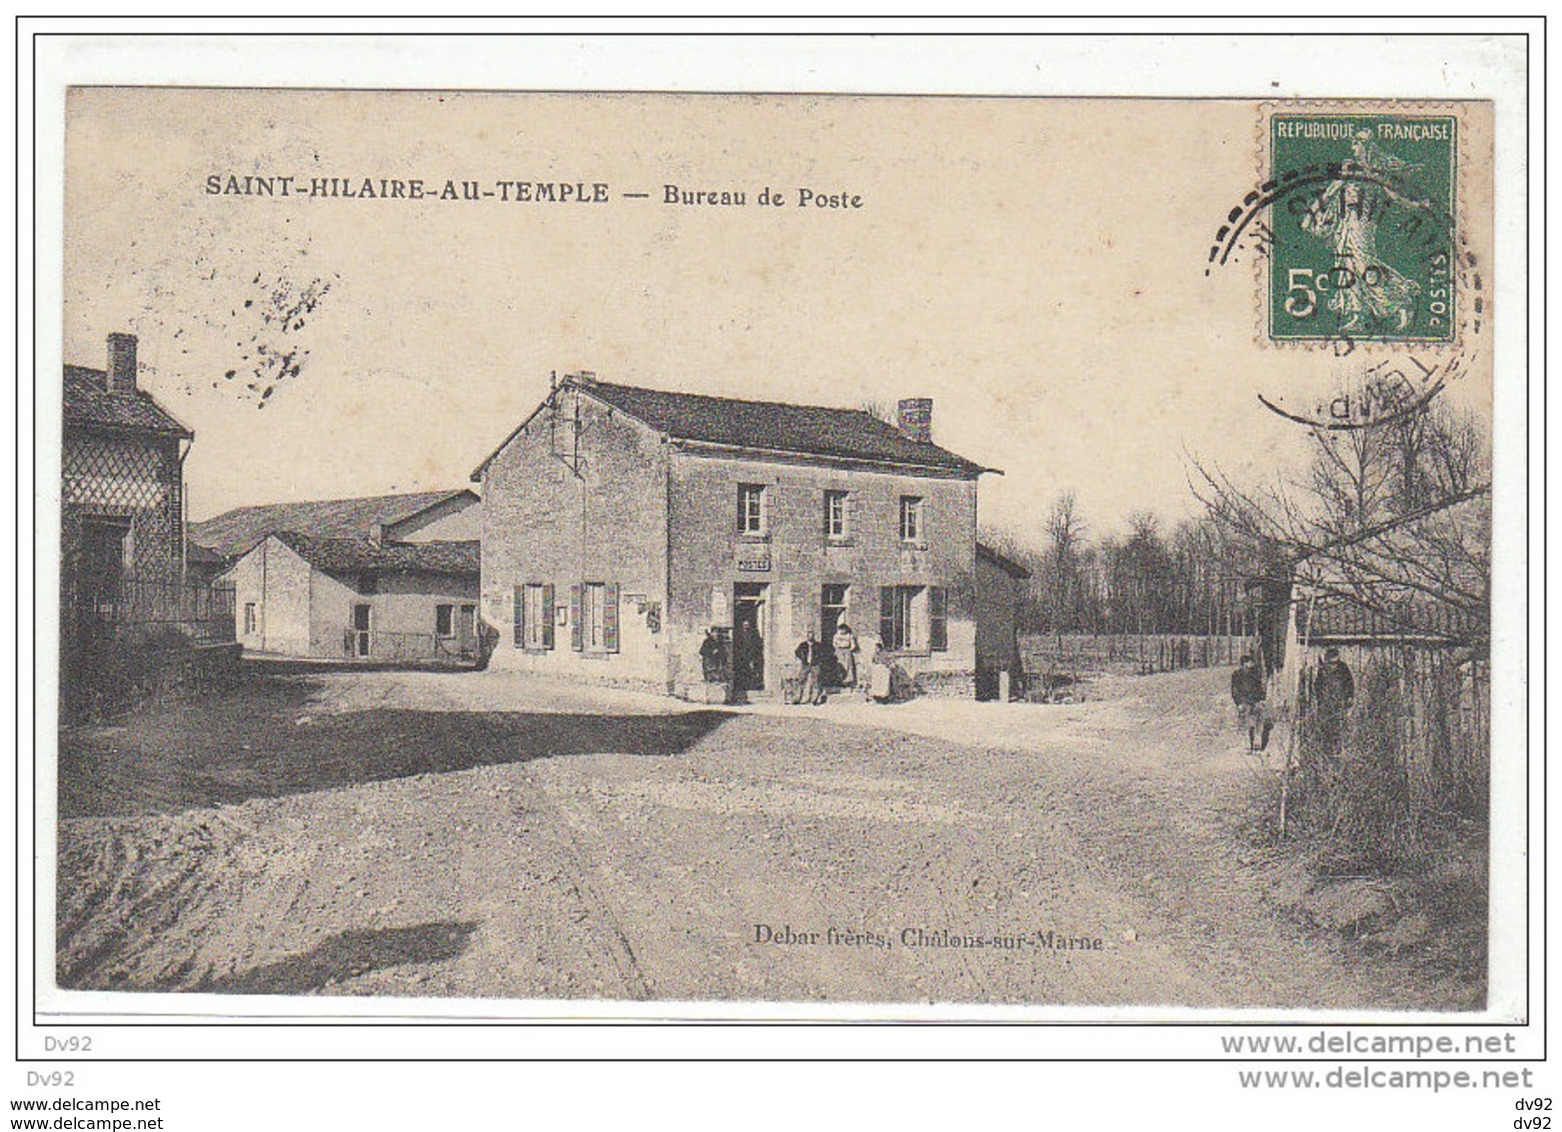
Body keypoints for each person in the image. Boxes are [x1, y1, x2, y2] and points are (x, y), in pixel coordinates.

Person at [1311, 646, 1355, 759]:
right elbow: (1318, 686)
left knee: (1338, 728)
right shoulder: (1323, 670)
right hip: (1326, 705)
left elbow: (1349, 684)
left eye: (1334, 663)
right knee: (1326, 729)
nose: (1332, 666)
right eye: (1331, 663)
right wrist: (1319, 700)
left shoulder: (1343, 668)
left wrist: (1349, 698)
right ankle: (1326, 752)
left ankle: (1338, 751)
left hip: (1339, 704)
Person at [1230, 653, 1272, 752]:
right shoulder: (1237, 675)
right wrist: (1238, 703)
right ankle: (1248, 745)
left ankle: (1257, 743)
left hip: (1255, 701)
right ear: (1244, 664)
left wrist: (1262, 699)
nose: (1252, 664)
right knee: (1247, 724)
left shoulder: (1255, 674)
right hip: (1244, 701)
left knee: (1258, 722)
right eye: (1250, 662)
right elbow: (1234, 690)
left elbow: (1260, 688)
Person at [795, 633, 825, 706]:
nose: (810, 637)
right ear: (807, 637)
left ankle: (814, 699)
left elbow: (822, 654)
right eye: (809, 636)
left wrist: (818, 661)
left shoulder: (818, 645)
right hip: (805, 665)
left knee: (815, 681)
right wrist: (802, 658)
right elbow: (797, 652)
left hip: (815, 665)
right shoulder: (803, 645)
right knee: (801, 681)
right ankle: (797, 698)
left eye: (812, 636)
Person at [831, 621, 859, 690]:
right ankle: (839, 681)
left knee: (847, 667)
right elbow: (834, 643)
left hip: (847, 652)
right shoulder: (836, 636)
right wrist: (837, 647)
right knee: (839, 667)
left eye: (844, 629)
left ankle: (847, 682)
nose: (843, 631)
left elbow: (853, 645)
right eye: (841, 629)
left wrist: (850, 650)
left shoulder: (849, 635)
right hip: (839, 652)